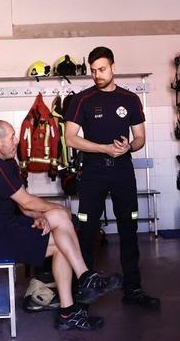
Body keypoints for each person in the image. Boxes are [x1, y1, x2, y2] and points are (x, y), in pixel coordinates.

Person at [0, 120, 122, 331]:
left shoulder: (6, 160)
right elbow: (26, 201)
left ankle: (74, 300)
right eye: (12, 137)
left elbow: (24, 206)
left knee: (62, 231)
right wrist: (55, 211)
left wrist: (39, 214)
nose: (17, 140)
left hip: (5, 226)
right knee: (63, 225)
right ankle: (81, 287)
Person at [63, 47, 161, 310]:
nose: (97, 75)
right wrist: (104, 148)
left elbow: (140, 137)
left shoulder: (129, 98)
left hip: (122, 172)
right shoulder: (82, 99)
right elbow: (70, 138)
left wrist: (129, 146)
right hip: (93, 172)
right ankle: (83, 290)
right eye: (93, 70)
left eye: (102, 69)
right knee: (87, 231)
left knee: (129, 230)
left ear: (113, 67)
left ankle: (134, 288)